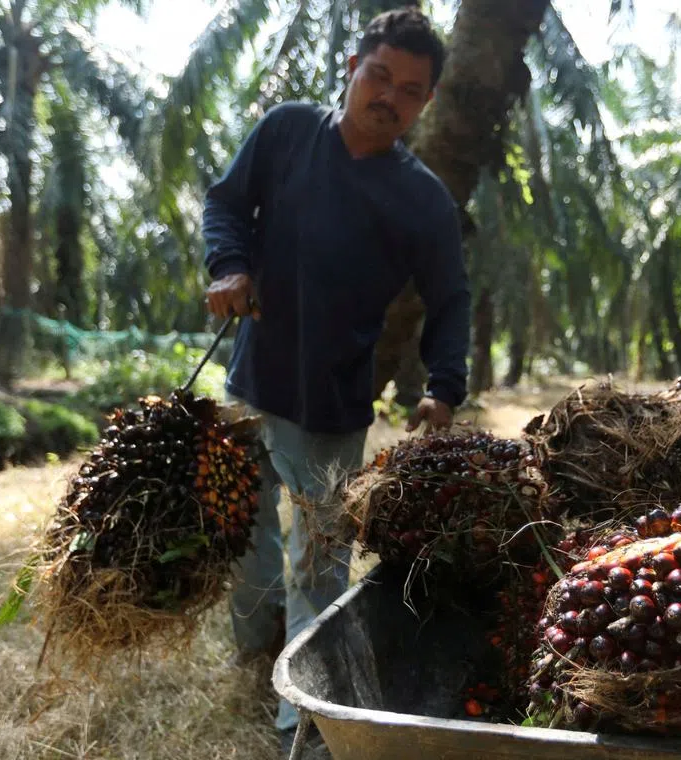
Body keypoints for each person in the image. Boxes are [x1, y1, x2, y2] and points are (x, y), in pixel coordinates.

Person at [199, 7, 470, 756]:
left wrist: (444, 386)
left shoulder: (423, 201)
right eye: (379, 75)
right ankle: (257, 657)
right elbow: (225, 203)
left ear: (425, 104)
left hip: (335, 407)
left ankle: (303, 719)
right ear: (352, 67)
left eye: (410, 90)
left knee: (317, 567)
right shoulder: (287, 132)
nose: (389, 96)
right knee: (244, 538)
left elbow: (451, 298)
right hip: (251, 385)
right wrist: (229, 266)